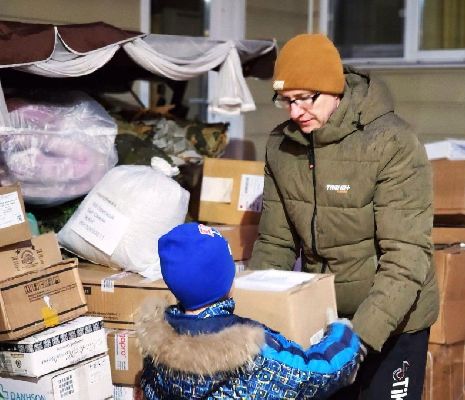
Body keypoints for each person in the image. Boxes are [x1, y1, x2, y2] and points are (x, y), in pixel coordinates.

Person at [248, 33, 439, 399]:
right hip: (326, 318)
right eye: (286, 100)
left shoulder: (391, 143)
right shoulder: (281, 147)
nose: (295, 112)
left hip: (394, 320)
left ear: (333, 89)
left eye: (305, 98)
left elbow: (406, 256)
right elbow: (275, 242)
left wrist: (358, 338)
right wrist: (255, 319)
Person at [136, 222, 366, 400]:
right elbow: (315, 374)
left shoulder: (157, 344)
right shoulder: (248, 350)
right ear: (226, 279)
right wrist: (343, 336)